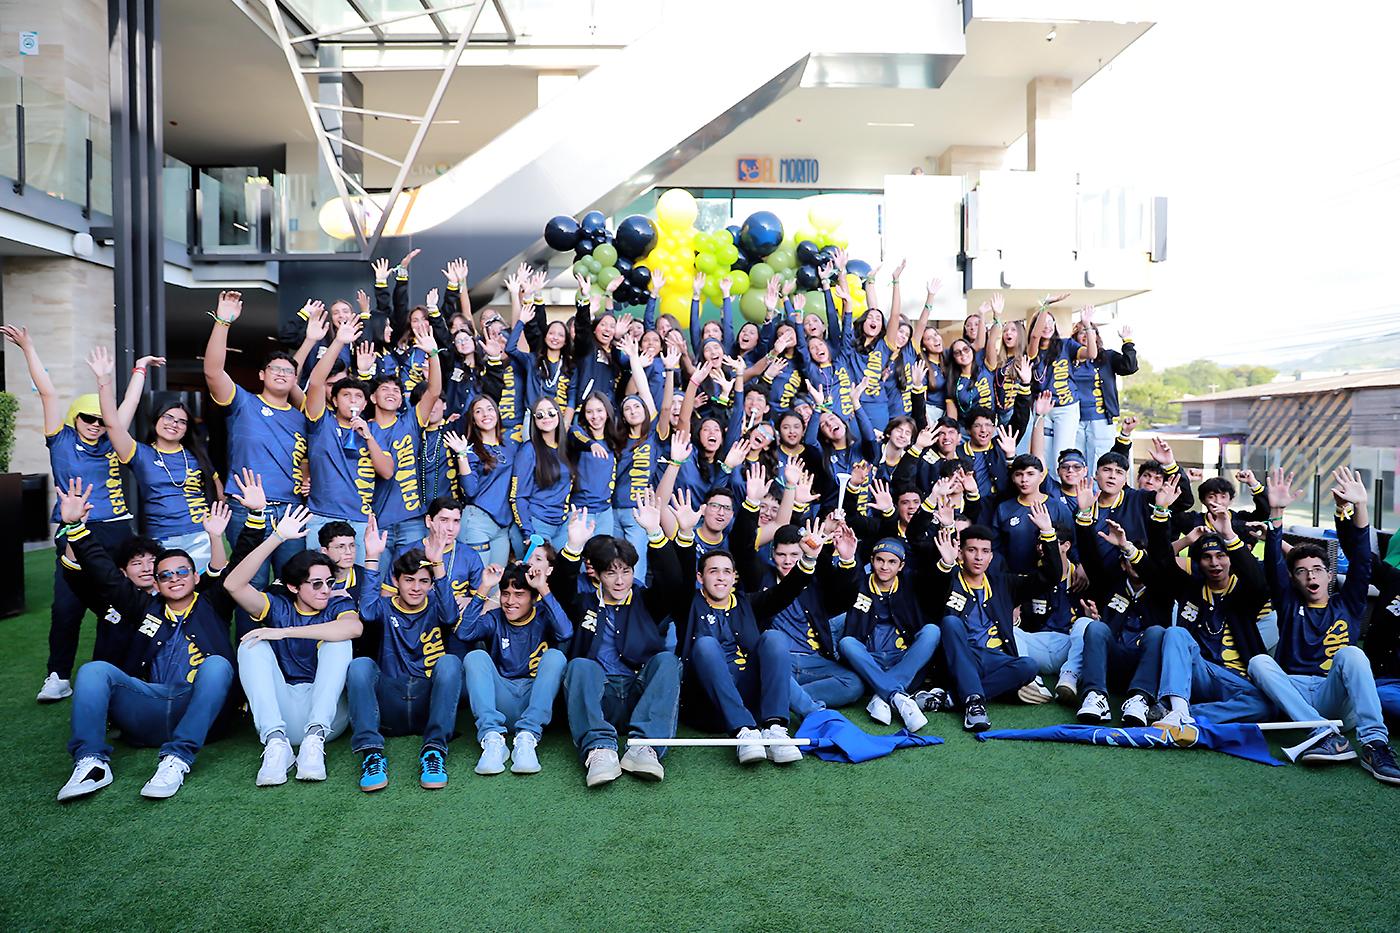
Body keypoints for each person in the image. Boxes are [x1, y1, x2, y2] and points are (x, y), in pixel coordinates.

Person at [55, 481, 240, 801]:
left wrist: (222, 533)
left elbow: (228, 572)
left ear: (196, 577)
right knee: (93, 670)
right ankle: (92, 763)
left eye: (182, 571)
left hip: (199, 708)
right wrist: (74, 527)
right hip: (149, 706)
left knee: (218, 665)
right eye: (165, 575)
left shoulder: (211, 604)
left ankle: (177, 759)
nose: (175, 578)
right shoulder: (143, 609)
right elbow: (105, 576)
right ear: (156, 583)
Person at [2, 324, 156, 702]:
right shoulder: (61, 437)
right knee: (67, 607)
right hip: (75, 530)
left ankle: (133, 668)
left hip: (117, 531)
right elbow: (48, 391)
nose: (96, 425)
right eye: (89, 419)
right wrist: (28, 347)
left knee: (124, 605)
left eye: (101, 419)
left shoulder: (112, 438)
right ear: (76, 419)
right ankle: (58, 674)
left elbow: (128, 407)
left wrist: (139, 370)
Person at [1243, 468, 1399, 783]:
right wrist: (1275, 512)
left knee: (1352, 655)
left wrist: (1360, 508)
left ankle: (1375, 744)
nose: (1311, 576)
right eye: (1301, 571)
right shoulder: (1288, 603)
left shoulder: (1349, 603)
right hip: (1296, 691)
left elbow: (1362, 560)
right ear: (1294, 578)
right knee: (1259, 661)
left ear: (1330, 575)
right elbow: (1274, 565)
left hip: (1335, 694)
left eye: (1317, 569)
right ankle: (1323, 735)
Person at [673, 500, 825, 767]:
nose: (720, 578)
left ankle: (775, 728)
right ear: (700, 578)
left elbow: (785, 592)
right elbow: (678, 578)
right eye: (713, 572)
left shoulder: (748, 602)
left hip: (751, 698)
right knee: (706, 644)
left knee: (775, 638)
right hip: (708, 704)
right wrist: (685, 534)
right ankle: (742, 731)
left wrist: (809, 558)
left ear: (735, 577)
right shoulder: (688, 603)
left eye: (726, 572)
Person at [223, 503, 362, 786]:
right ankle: (275, 746)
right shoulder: (276, 605)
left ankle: (314, 743)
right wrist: (277, 538)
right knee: (251, 644)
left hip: (326, 717)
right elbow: (233, 585)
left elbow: (353, 627)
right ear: (294, 587)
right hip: (282, 715)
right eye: (316, 584)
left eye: (328, 582)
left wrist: (284, 633)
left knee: (339, 641)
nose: (326, 590)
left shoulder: (339, 603)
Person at [551, 501, 687, 787]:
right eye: (611, 573)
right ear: (597, 574)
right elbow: (560, 587)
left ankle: (644, 747)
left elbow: (674, 582)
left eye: (625, 571)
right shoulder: (583, 602)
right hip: (600, 701)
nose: (620, 580)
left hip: (640, 696)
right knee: (580, 666)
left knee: (666, 661)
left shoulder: (646, 600)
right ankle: (599, 750)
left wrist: (655, 533)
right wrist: (573, 547)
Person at [349, 521, 466, 792]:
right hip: (390, 702)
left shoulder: (438, 604)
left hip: (428, 702)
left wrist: (437, 565)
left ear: (431, 583)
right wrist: (372, 556)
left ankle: (434, 751)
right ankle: (372, 753)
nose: (416, 587)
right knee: (360, 666)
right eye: (409, 580)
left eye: (423, 581)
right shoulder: (384, 607)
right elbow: (365, 612)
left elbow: (451, 616)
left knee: (449, 662)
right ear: (396, 581)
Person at [1148, 478, 1272, 731]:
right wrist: (1161, 513)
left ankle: (1186, 713)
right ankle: (1179, 710)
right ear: (1198, 562)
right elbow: (1161, 562)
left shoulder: (1245, 591)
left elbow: (1259, 581)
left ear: (1231, 558)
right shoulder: (1190, 587)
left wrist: (1229, 535)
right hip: (1199, 672)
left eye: (1221, 556)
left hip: (1236, 679)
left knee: (1264, 705)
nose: (1214, 563)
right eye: (1207, 557)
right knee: (1175, 633)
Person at [203, 289, 309, 579]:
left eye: (288, 371)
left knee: (294, 585)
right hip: (247, 509)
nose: (281, 373)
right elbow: (213, 372)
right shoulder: (243, 404)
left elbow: (308, 456)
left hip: (291, 510)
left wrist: (307, 474)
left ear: (295, 380)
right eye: (274, 368)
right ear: (262, 375)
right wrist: (222, 322)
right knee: (252, 584)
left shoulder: (304, 416)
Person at [89, 347, 221, 572]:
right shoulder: (140, 453)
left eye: (181, 421)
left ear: (187, 429)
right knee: (166, 596)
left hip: (201, 535)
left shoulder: (196, 455)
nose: (173, 424)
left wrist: (216, 525)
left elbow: (217, 489)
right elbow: (113, 424)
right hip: (161, 539)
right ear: (156, 420)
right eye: (168, 417)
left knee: (205, 594)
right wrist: (122, 375)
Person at [931, 514, 1059, 732]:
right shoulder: (947, 581)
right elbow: (931, 589)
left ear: (991, 557)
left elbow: (1050, 577)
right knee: (951, 622)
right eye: (971, 550)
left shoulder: (1003, 583)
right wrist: (945, 564)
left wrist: (1048, 534)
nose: (978, 557)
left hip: (994, 660)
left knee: (1028, 666)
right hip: (961, 658)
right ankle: (973, 702)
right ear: (960, 553)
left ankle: (954, 698)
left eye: (985, 551)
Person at [457, 561, 572, 776]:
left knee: (555, 656)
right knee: (475, 657)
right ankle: (492, 739)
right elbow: (464, 633)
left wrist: (542, 587)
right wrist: (484, 588)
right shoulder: (495, 618)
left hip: (535, 703)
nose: (510, 601)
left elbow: (565, 632)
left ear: (533, 598)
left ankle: (527, 739)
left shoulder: (543, 616)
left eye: (519, 594)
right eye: (505, 593)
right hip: (502, 703)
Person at [303, 318, 396, 561]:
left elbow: (387, 471)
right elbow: (315, 382)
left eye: (358, 396)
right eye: (346, 395)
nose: (352, 400)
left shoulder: (373, 431)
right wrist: (339, 342)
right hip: (322, 517)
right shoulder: (321, 422)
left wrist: (368, 438)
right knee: (319, 585)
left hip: (360, 520)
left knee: (361, 586)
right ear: (334, 400)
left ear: (366, 403)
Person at [835, 537, 943, 733]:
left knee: (932, 631)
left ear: (901, 565)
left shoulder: (911, 585)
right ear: (872, 560)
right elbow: (841, 583)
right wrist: (846, 558)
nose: (885, 566)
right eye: (880, 560)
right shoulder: (858, 584)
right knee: (847, 643)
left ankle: (883, 693)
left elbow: (936, 583)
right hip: (869, 661)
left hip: (902, 660)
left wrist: (946, 562)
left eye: (892, 561)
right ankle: (897, 696)